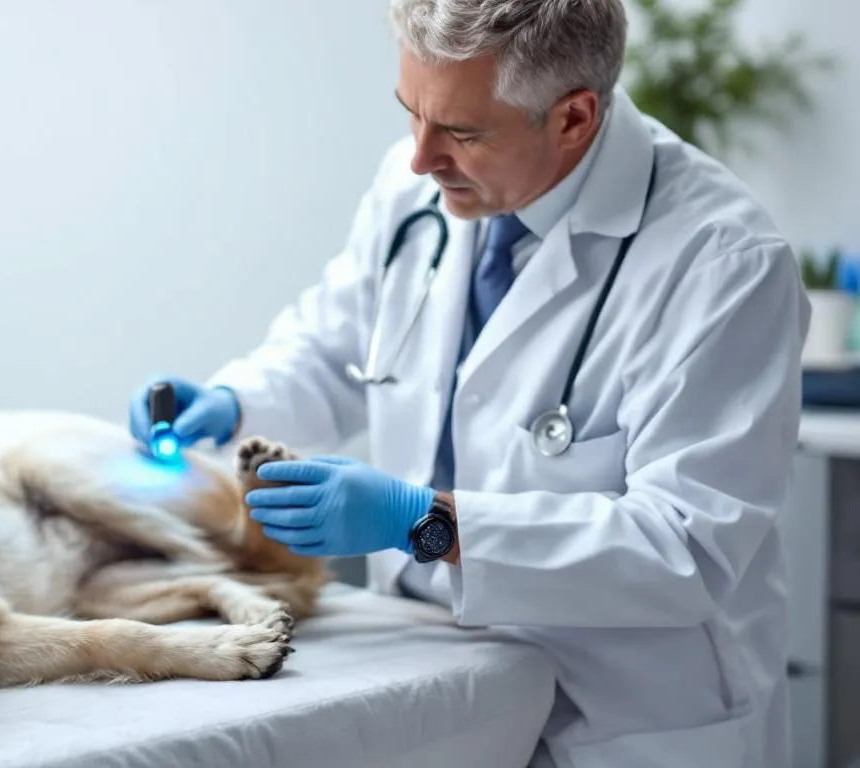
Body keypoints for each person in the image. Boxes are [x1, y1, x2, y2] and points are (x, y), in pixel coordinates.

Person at [127, 0, 810, 766]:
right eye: (410, 113)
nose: (420, 157)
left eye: (461, 130)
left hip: (626, 716)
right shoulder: (418, 185)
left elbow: (685, 548)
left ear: (574, 119)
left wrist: (431, 524)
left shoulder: (722, 263)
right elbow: (338, 344)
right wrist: (230, 403)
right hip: (434, 678)